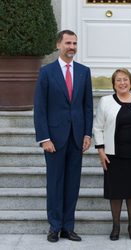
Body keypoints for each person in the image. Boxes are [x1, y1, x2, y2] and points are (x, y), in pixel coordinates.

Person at [34, 30, 93, 243]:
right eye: (68, 43)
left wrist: (87, 133)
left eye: (75, 43)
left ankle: (68, 227)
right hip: (54, 139)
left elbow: (87, 106)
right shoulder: (46, 72)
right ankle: (54, 226)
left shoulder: (84, 72)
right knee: (55, 183)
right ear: (59, 44)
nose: (72, 47)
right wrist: (44, 138)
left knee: (72, 184)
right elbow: (40, 108)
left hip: (77, 137)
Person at [93, 68, 131, 241]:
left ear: (130, 82)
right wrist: (101, 150)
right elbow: (98, 127)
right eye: (118, 80)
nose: (122, 83)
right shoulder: (105, 101)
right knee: (116, 193)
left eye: (125, 79)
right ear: (113, 84)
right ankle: (116, 226)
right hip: (113, 155)